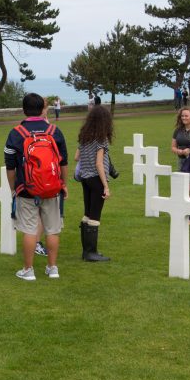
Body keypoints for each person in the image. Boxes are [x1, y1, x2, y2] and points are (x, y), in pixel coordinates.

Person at [5, 93, 68, 281]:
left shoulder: (16, 133)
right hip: (52, 189)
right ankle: (52, 267)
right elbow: (63, 162)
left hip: (26, 189)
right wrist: (63, 184)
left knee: (30, 229)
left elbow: (10, 167)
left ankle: (28, 269)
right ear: (43, 110)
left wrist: (13, 189)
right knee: (52, 228)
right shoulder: (54, 131)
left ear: (24, 110)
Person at [73, 105, 113, 262]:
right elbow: (99, 164)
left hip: (85, 178)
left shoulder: (84, 136)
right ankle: (91, 253)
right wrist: (106, 185)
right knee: (95, 215)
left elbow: (77, 157)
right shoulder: (101, 139)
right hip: (96, 179)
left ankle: (87, 251)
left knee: (87, 213)